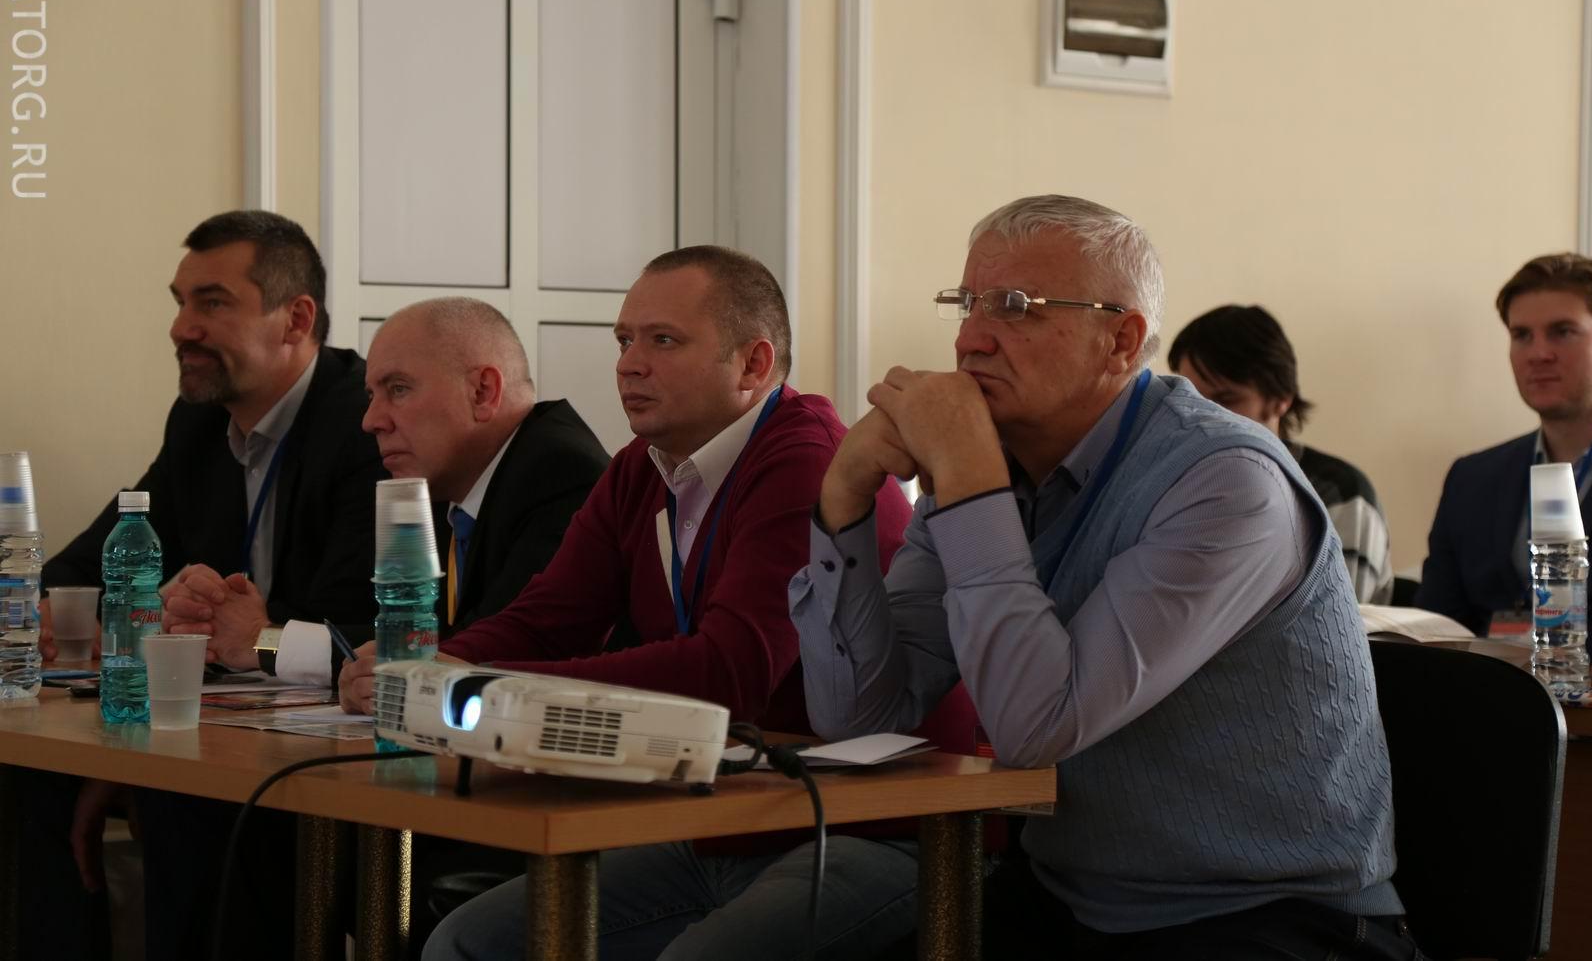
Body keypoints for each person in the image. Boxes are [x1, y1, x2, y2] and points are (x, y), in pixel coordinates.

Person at [790, 195, 1413, 959]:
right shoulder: (990, 464)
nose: (971, 339)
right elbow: (859, 715)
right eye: (967, 303)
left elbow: (1035, 728)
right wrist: (843, 498)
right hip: (1070, 897)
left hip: (1263, 915)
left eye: (1014, 307)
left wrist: (969, 481)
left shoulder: (1225, 482)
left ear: (1121, 341)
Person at [379, 246, 922, 961]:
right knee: (466, 942)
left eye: (662, 340)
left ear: (753, 364)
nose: (629, 365)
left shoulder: (806, 459)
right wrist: (428, 667)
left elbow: (733, 670)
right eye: (624, 341)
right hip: (728, 813)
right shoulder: (643, 467)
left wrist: (486, 686)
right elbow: (550, 616)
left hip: (870, 820)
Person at [26, 209, 384, 961]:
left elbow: (354, 622)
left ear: (296, 320)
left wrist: (241, 628)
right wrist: (46, 607)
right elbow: (97, 556)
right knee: (29, 781)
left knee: (184, 800)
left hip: (332, 739)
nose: (181, 328)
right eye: (180, 301)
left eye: (212, 303)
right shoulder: (197, 423)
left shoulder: (366, 423)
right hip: (226, 723)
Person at [188, 296, 611, 685]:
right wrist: (239, 630)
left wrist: (264, 642)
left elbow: (477, 651)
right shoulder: (447, 488)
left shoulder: (559, 472)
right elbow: (406, 632)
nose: (370, 420)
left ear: (482, 392)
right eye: (372, 394)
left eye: (398, 389)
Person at [1418, 253, 1592, 653]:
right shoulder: (1471, 478)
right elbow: (1436, 629)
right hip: (1488, 689)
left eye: (1562, 332)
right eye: (1522, 335)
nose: (1538, 353)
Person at [1168, 303, 1394, 603]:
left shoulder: (1340, 493)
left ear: (1279, 399)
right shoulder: (1180, 485)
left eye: (1225, 400)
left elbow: (1336, 617)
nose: (1203, 416)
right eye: (1191, 399)